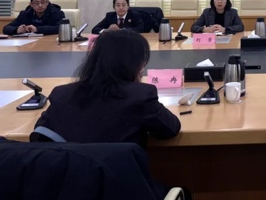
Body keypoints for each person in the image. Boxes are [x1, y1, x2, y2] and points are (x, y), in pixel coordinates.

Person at [34, 30, 181, 148]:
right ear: (134, 64)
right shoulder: (141, 95)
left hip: (72, 176)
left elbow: (40, 133)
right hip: (121, 176)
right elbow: (170, 128)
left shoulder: (62, 94)